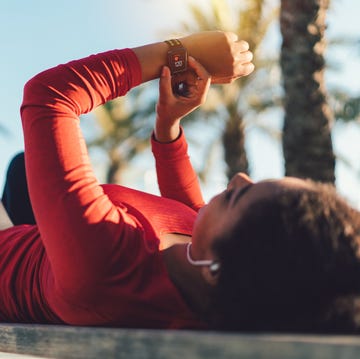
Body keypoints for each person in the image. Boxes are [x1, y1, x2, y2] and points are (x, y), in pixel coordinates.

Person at [1, 30, 360, 333]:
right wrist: (168, 123)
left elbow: (50, 96)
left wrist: (179, 52)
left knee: (21, 167)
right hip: (44, 242)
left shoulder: (107, 264)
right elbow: (189, 210)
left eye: (238, 196)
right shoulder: (205, 263)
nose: (238, 177)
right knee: (21, 168)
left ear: (217, 270)